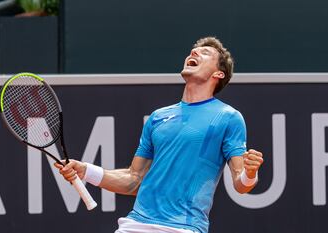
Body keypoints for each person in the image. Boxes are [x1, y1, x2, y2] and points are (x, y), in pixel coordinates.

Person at [54, 37, 264, 233]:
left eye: (205, 52)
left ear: (218, 74)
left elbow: (241, 184)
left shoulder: (228, 117)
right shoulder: (158, 117)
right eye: (194, 50)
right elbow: (134, 179)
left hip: (182, 227)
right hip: (135, 224)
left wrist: (250, 172)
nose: (194, 52)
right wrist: (87, 171)